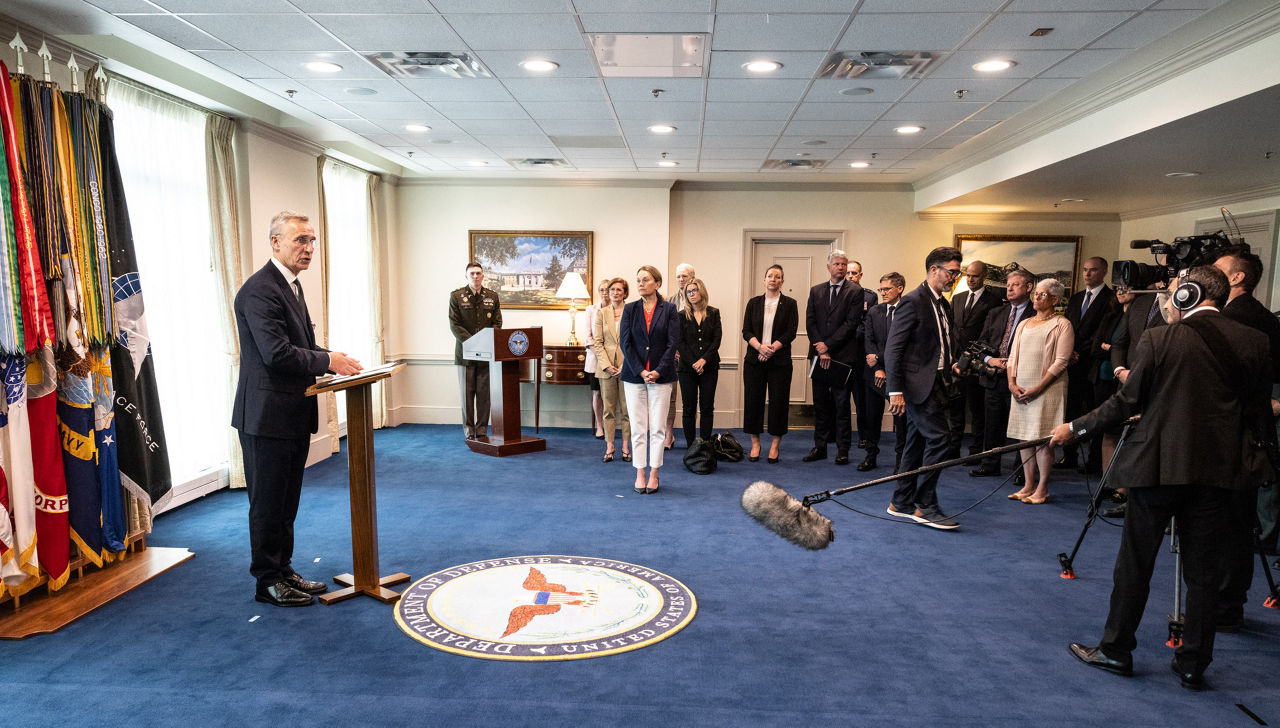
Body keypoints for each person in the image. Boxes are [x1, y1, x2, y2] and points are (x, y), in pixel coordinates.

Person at [1057, 265, 1271, 691]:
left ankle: (1116, 650)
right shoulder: (1255, 341)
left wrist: (1074, 428)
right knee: (1204, 572)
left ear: (1189, 295)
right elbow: (1256, 412)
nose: (1169, 298)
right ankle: (1193, 663)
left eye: (1173, 291)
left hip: (1156, 468)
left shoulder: (1159, 338)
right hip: (1219, 474)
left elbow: (1125, 403)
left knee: (1135, 564)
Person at [232, 210, 363, 608]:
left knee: (286, 504)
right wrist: (328, 361)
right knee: (268, 504)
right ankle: (267, 581)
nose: (307, 249)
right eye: (299, 240)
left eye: (311, 241)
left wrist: (334, 357)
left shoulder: (290, 286)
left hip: (290, 414)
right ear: (275, 242)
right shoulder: (260, 290)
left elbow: (300, 344)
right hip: (266, 417)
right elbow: (276, 354)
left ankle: (284, 569)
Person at [1212, 245, 1280, 632]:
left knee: (1233, 525)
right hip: (1237, 433)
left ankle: (1225, 607)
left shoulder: (1246, 318)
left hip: (1238, 438)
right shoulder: (1238, 314)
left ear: (1237, 278)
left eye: (1219, 269)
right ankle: (1225, 604)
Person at [884, 246, 963, 529]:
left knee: (916, 443)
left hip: (938, 382)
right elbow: (893, 349)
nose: (954, 277)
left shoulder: (942, 303)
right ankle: (925, 505)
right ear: (933, 270)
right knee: (941, 439)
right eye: (951, 272)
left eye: (957, 272)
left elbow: (939, 344)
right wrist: (894, 391)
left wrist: (951, 362)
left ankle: (901, 501)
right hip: (916, 386)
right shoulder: (912, 301)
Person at [1005, 278, 1074, 504]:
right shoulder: (1024, 324)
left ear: (1055, 299)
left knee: (1043, 439)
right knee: (1025, 438)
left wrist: (1038, 388)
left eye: (1042, 295)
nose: (1036, 297)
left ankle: (1042, 488)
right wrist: (1011, 383)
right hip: (1021, 389)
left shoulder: (1062, 324)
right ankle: (1027, 485)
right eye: (1036, 294)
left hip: (1047, 389)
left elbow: (1061, 361)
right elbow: (1012, 356)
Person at [620, 265, 680, 494]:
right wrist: (641, 370)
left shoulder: (670, 309)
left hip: (662, 377)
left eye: (645, 279)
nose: (640, 283)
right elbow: (625, 343)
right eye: (638, 280)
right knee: (638, 427)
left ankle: (654, 472)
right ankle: (640, 472)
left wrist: (657, 370)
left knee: (657, 428)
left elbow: (672, 343)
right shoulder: (630, 309)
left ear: (657, 283)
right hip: (634, 377)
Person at [969, 268, 1034, 478]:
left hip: (1021, 378)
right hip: (994, 378)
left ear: (1029, 287)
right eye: (1008, 285)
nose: (1010, 289)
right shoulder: (996, 312)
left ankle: (1021, 470)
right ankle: (989, 465)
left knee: (1020, 428)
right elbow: (981, 343)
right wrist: (990, 360)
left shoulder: (1036, 315)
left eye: (1015, 284)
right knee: (992, 425)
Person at [803, 250, 865, 466]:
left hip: (842, 357)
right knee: (820, 405)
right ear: (828, 267)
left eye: (844, 264)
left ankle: (842, 450)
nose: (841, 267)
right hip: (819, 357)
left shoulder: (855, 292)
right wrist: (821, 349)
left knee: (841, 406)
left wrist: (827, 346)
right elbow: (810, 322)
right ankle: (820, 447)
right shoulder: (816, 290)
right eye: (837, 264)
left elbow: (851, 324)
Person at [1061, 256, 1114, 472]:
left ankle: (1093, 461)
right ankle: (1069, 457)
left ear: (1104, 272)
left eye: (1092, 270)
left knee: (1095, 413)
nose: (1087, 274)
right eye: (1084, 270)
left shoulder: (1111, 299)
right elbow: (1066, 327)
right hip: (1072, 365)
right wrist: (1068, 352)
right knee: (1071, 412)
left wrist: (1079, 353)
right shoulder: (1076, 298)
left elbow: (1104, 332)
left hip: (1094, 365)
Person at [742, 264, 798, 464]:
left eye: (778, 276)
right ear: (764, 280)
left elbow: (791, 331)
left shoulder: (790, 303)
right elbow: (746, 331)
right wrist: (760, 348)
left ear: (782, 281)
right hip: (754, 360)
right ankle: (755, 444)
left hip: (779, 362)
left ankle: (775, 445)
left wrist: (771, 349)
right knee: (753, 402)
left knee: (778, 403)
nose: (773, 279)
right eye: (770, 276)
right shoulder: (753, 303)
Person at [949, 260, 1000, 459]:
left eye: (975, 276)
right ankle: (953, 449)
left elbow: (990, 333)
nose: (971, 279)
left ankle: (976, 452)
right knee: (955, 409)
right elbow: (953, 330)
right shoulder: (958, 298)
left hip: (978, 364)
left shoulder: (993, 300)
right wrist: (954, 359)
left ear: (984, 276)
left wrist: (975, 360)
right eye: (968, 275)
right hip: (957, 363)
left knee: (978, 411)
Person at [448, 261, 502, 440]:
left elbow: (497, 322)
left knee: (484, 395)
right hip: (464, 354)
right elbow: (454, 324)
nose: (475, 276)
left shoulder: (492, 297)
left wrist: (484, 341)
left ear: (483, 276)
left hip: (486, 354)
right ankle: (469, 430)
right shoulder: (456, 296)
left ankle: (481, 430)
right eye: (472, 273)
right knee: (467, 394)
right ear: (466, 276)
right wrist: (474, 342)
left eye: (478, 273)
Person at [863, 272, 907, 472]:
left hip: (899, 375)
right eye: (881, 289)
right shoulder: (874, 311)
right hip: (875, 375)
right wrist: (878, 367)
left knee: (901, 420)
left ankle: (901, 461)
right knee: (872, 418)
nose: (882, 293)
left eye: (887, 289)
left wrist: (880, 359)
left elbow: (903, 345)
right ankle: (870, 456)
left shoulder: (908, 310)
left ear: (900, 288)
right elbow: (868, 340)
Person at [677, 278, 721, 446]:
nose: (692, 294)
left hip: (709, 367)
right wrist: (695, 363)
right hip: (687, 369)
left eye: (695, 290)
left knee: (707, 407)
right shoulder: (681, 316)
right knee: (689, 408)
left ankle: (705, 443)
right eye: (688, 292)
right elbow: (680, 343)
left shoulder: (714, 312)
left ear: (702, 291)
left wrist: (703, 360)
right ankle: (690, 445)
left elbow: (716, 340)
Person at [593, 277, 631, 463]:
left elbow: (635, 341)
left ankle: (625, 446)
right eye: (612, 289)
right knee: (608, 410)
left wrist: (625, 365)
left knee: (627, 410)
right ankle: (609, 446)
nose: (615, 292)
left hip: (628, 367)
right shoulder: (600, 313)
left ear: (625, 292)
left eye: (619, 289)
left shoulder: (632, 311)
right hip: (606, 368)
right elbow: (597, 342)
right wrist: (607, 365)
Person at [846, 260, 880, 453]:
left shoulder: (870, 296)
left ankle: (864, 436)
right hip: (842, 353)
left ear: (860, 275)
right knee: (840, 398)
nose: (851, 276)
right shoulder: (839, 295)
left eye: (855, 273)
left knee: (862, 398)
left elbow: (868, 324)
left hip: (861, 354)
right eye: (848, 273)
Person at [665, 262, 697, 449]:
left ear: (692, 277)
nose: (681, 280)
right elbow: (667, 329)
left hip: (695, 358)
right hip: (674, 357)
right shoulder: (670, 300)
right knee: (670, 397)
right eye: (678, 276)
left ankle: (693, 440)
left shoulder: (699, 298)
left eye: (684, 276)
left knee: (690, 400)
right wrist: (673, 349)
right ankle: (669, 435)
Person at [585, 278, 609, 439]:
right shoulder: (591, 310)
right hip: (596, 359)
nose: (605, 293)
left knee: (613, 396)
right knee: (597, 394)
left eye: (608, 290)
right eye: (602, 290)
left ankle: (611, 427)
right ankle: (600, 427)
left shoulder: (619, 310)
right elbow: (588, 337)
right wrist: (602, 356)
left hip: (615, 361)